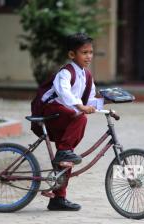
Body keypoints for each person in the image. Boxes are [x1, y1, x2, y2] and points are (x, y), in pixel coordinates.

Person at [36, 33, 104, 211]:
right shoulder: (66, 72)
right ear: (72, 55)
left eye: (91, 52)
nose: (89, 56)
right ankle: (64, 151)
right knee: (79, 117)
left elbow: (89, 101)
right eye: (84, 52)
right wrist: (80, 106)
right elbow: (63, 93)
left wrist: (108, 102)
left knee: (67, 159)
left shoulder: (87, 76)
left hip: (66, 117)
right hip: (51, 112)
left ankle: (58, 199)